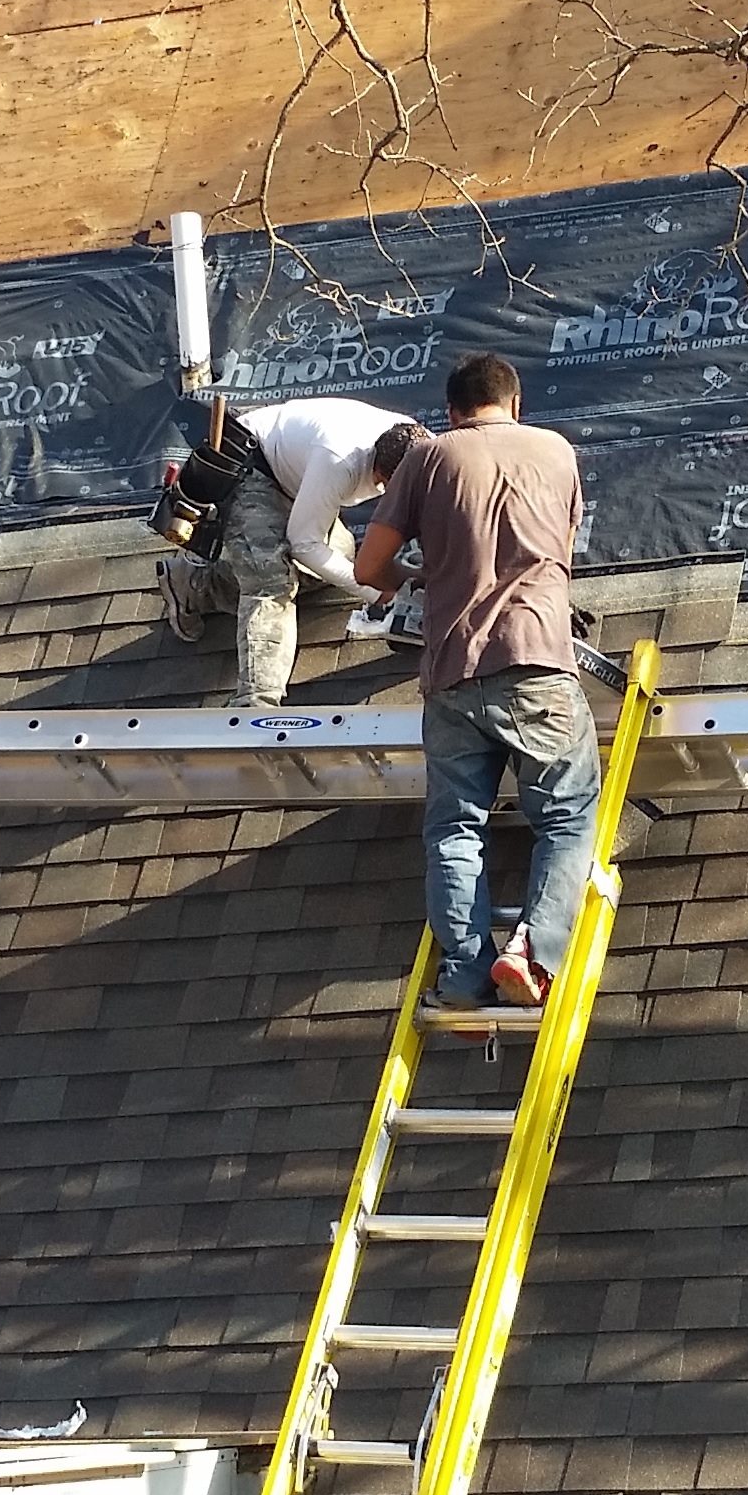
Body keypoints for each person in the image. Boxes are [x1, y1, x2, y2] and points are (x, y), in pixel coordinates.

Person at [353, 351, 595, 1010]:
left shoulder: (428, 458)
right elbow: (558, 554)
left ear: (452, 412)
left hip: (453, 673)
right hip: (537, 658)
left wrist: (417, 580)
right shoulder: (554, 451)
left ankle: (463, 974)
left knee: (455, 832)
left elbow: (370, 565)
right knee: (567, 821)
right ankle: (531, 953)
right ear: (515, 405)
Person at [219, 395, 421, 704]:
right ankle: (256, 702)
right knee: (271, 579)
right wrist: (378, 595)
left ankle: (195, 584)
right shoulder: (340, 460)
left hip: (300, 475)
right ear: (380, 473)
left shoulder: (429, 451)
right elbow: (304, 544)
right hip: (253, 466)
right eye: (386, 488)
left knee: (338, 555)